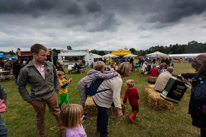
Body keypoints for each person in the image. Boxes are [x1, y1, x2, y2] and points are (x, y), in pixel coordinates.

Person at [18, 43, 66, 137]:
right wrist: (29, 99)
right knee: (40, 119)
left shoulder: (50, 65)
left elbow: (56, 79)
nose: (45, 57)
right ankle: (42, 135)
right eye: (43, 55)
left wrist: (56, 92)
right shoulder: (25, 70)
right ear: (34, 54)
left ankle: (63, 131)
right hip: (37, 99)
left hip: (52, 95)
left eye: (46, 55)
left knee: (58, 114)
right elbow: (21, 86)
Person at [93, 62, 132, 137]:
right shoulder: (118, 80)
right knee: (105, 117)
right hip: (101, 100)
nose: (131, 71)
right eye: (130, 70)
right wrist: (119, 111)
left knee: (100, 114)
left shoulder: (114, 73)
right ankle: (103, 134)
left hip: (97, 97)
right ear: (125, 70)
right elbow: (116, 97)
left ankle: (99, 128)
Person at [180, 54, 206, 137]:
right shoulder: (201, 74)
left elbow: (200, 96)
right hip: (200, 109)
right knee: (203, 126)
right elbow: (195, 75)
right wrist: (184, 74)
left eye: (197, 69)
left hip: (203, 107)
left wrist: (195, 88)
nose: (196, 70)